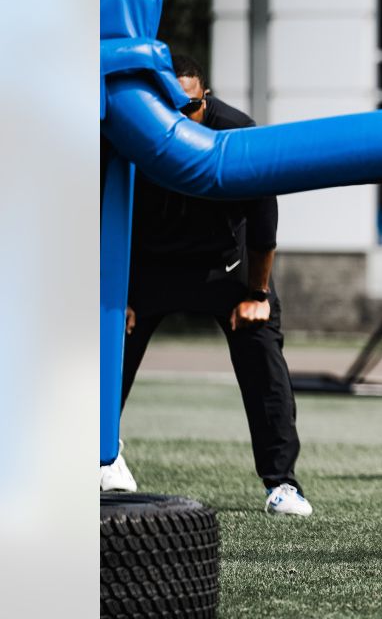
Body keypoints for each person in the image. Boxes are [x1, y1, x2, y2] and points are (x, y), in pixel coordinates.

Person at [98, 55, 313, 517]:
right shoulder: (129, 133)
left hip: (225, 268)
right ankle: (100, 457)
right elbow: (98, 212)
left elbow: (263, 223)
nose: (179, 121)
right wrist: (115, 293)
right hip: (148, 269)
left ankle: (282, 483)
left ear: (206, 100)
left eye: (189, 108)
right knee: (105, 342)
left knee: (262, 348)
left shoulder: (236, 132)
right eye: (169, 109)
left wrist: (256, 295)